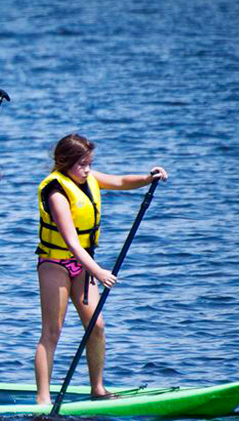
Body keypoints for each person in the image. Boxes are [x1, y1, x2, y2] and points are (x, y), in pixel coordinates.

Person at [34, 133, 168, 405]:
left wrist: (147, 178)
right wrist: (98, 271)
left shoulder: (89, 179)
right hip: (54, 264)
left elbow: (119, 181)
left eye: (89, 163)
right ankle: (43, 398)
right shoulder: (56, 191)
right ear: (64, 162)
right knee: (52, 331)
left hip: (83, 265)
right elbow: (71, 242)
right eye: (81, 164)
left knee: (96, 325)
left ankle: (98, 388)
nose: (86, 169)